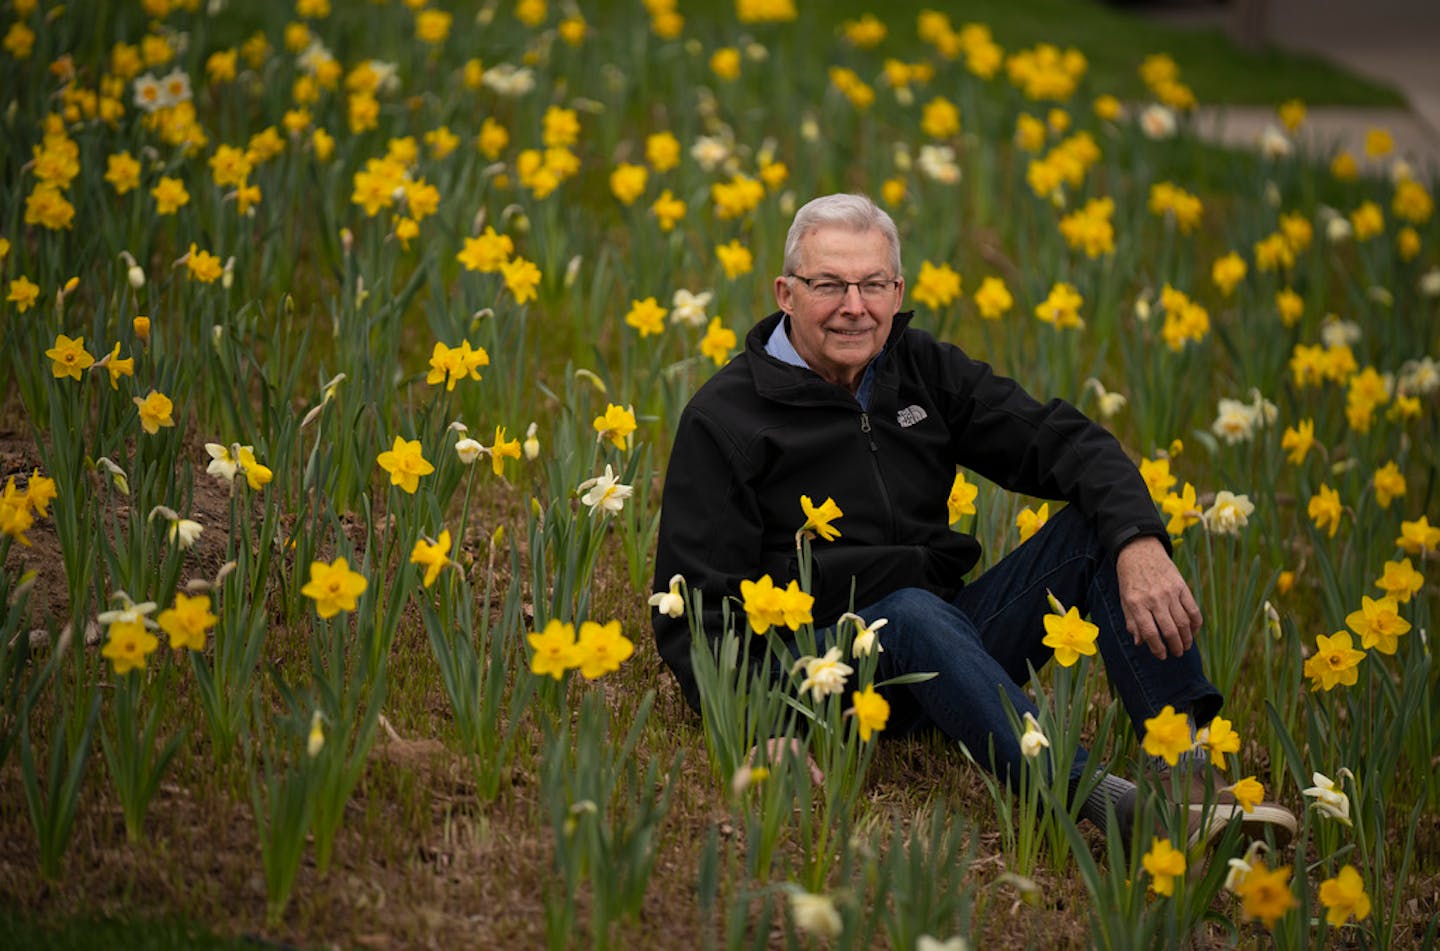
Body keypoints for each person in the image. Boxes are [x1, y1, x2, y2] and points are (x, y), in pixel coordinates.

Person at [650, 193, 1295, 848]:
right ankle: (1097, 798)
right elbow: (692, 616)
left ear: (897, 290)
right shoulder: (727, 418)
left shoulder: (920, 370)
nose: (855, 305)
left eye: (873, 284)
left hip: (941, 649)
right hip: (821, 674)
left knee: (1098, 530)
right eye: (829, 285)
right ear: (785, 293)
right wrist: (761, 722)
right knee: (905, 610)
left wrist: (1140, 542)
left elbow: (1067, 442)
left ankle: (1184, 770)